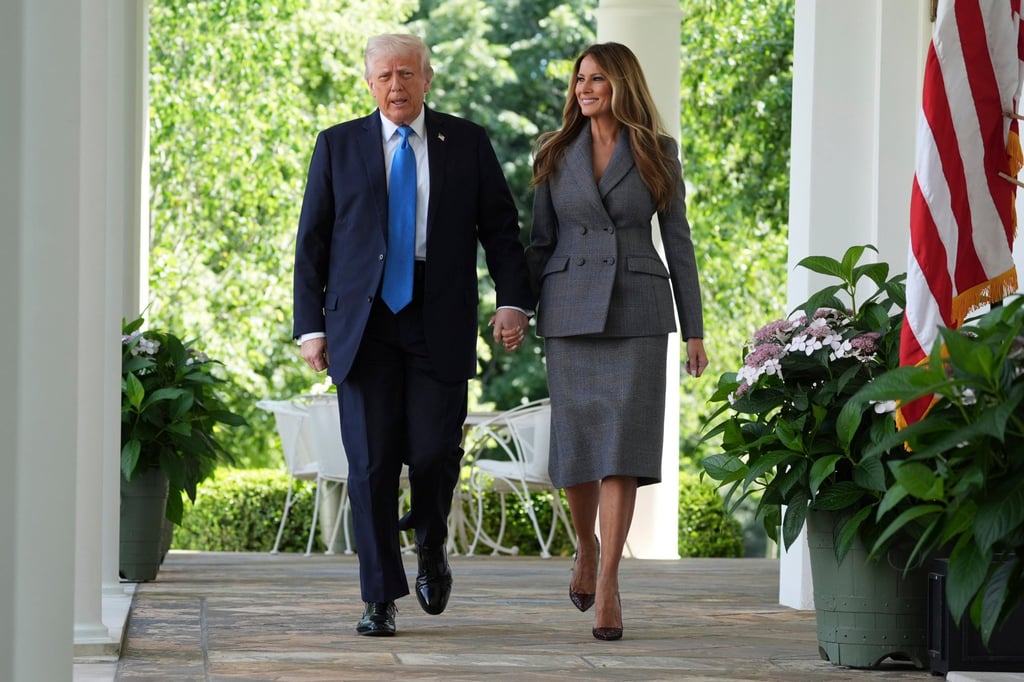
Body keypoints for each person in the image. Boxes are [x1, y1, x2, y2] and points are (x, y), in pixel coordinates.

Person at [292, 33, 533, 637]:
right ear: (368, 83)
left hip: (439, 315)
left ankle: (430, 542)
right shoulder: (337, 145)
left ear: (428, 78)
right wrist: (310, 327)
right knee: (370, 465)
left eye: (406, 73)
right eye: (384, 76)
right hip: (361, 322)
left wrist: (513, 302)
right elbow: (312, 243)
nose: (395, 86)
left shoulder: (468, 142)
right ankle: (379, 598)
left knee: (432, 453)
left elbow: (502, 230)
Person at [526, 42, 709, 642]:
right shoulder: (553, 154)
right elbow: (539, 243)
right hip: (569, 307)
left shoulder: (658, 152)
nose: (584, 88)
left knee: (622, 449)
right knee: (578, 448)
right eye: (579, 78)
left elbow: (678, 242)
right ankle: (586, 546)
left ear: (622, 83)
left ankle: (608, 582)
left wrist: (696, 331)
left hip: (638, 310)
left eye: (597, 78)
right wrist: (517, 309)